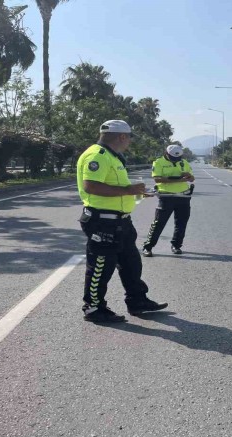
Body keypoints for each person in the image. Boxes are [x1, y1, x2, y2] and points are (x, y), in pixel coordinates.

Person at [76, 120, 167, 323]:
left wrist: (137, 193)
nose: (129, 142)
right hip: (103, 221)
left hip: (121, 221)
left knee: (131, 264)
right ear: (122, 136)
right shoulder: (97, 155)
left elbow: (116, 188)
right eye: (129, 138)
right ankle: (93, 308)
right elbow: (91, 186)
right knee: (101, 265)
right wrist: (129, 190)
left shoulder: (112, 156)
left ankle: (137, 300)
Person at [142, 144, 195, 256]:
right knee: (158, 223)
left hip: (183, 197)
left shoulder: (183, 162)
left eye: (177, 158)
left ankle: (176, 245)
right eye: (173, 158)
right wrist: (179, 180)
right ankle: (148, 247)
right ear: (166, 153)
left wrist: (189, 176)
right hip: (166, 197)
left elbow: (192, 179)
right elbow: (157, 179)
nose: (176, 160)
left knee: (181, 223)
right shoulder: (159, 162)